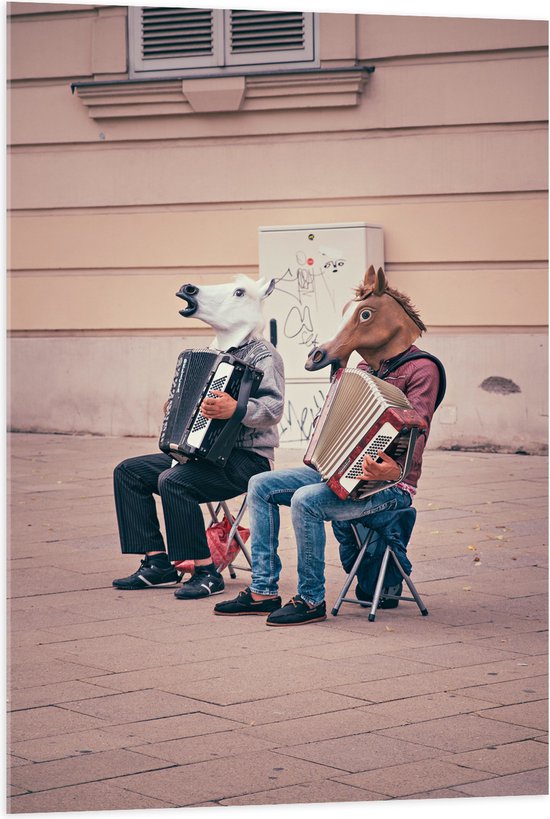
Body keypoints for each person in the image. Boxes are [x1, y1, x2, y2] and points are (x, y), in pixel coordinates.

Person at [214, 268, 442, 625]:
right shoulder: (363, 368)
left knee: (306, 501)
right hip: (337, 471)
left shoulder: (423, 369)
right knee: (260, 485)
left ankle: (310, 599)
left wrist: (391, 470)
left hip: (391, 485)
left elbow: (416, 428)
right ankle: (263, 589)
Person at [112, 334, 285, 600]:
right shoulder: (214, 349)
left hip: (248, 459)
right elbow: (198, 398)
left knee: (174, 480)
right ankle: (157, 563)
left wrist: (237, 409)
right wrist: (179, 406)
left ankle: (206, 573)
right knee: (129, 472)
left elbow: (273, 409)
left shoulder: (264, 354)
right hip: (206, 453)